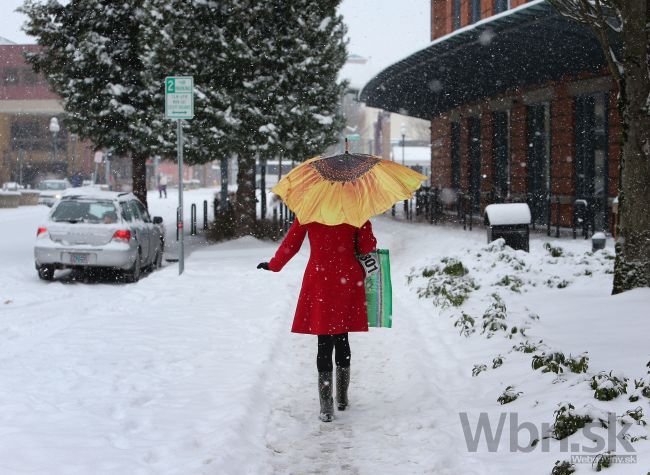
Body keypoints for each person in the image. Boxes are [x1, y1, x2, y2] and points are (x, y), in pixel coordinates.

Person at [257, 219, 377, 422]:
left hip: (320, 278)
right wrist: (363, 230)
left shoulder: (309, 209)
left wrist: (274, 265)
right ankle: (342, 397)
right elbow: (368, 247)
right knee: (342, 337)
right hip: (347, 276)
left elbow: (291, 244)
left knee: (324, 341)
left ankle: (326, 405)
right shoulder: (356, 210)